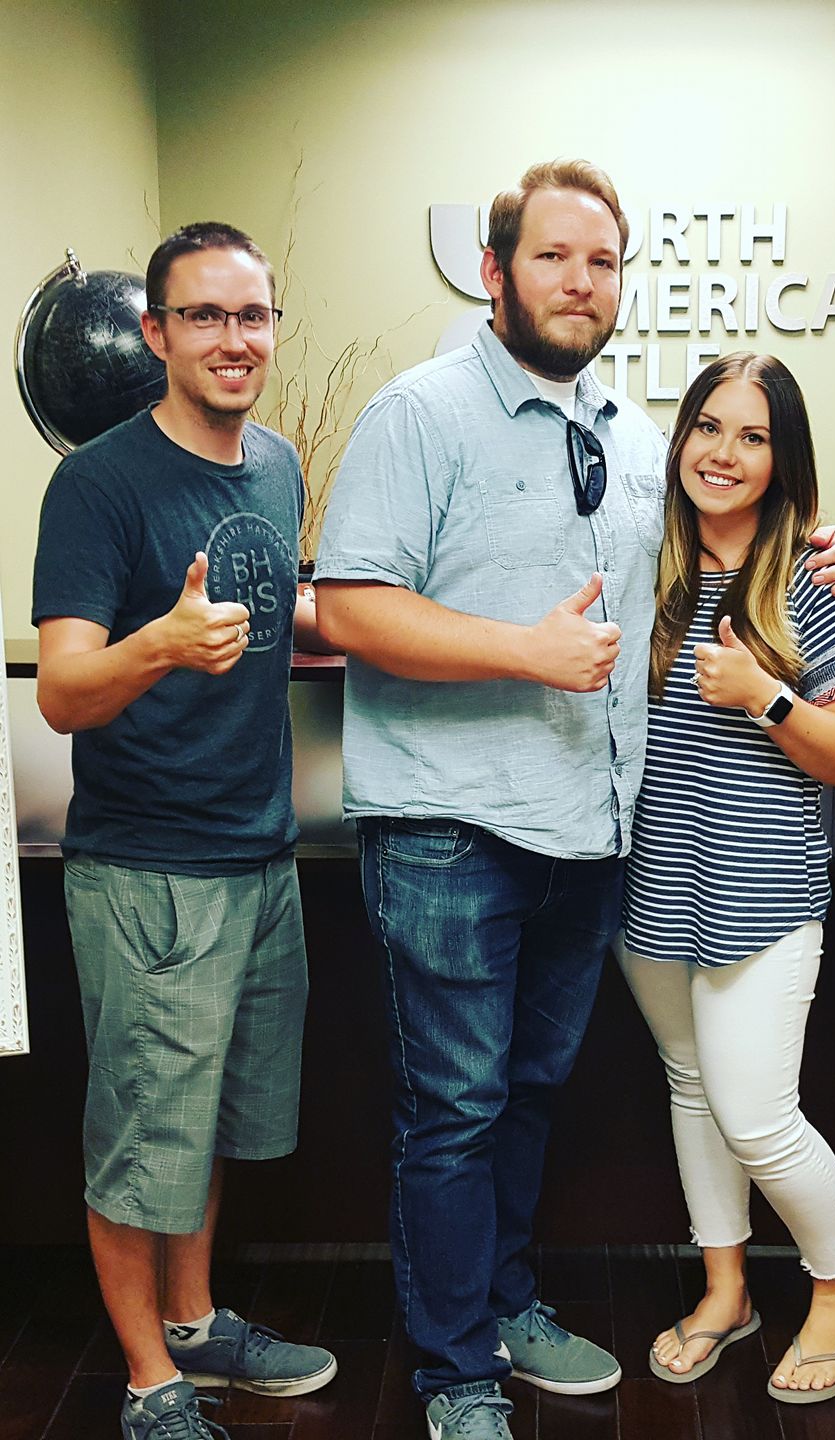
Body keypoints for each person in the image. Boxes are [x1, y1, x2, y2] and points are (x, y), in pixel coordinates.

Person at [311, 161, 835, 1440]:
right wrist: (524, 650)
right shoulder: (420, 413)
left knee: (524, 1098)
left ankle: (504, 1306)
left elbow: (736, 526)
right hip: (451, 833)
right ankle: (456, 1373)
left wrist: (829, 539)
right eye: (552, 256)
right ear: (495, 271)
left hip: (585, 842)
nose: (580, 281)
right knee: (454, 1112)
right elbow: (346, 608)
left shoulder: (628, 437)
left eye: (602, 261)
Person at [32, 222, 336, 1440]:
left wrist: (391, 623)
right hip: (148, 872)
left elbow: (281, 604)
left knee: (204, 1118)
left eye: (251, 316)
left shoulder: (276, 463)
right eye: (204, 316)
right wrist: (159, 642)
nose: (232, 339)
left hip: (259, 856)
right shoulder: (97, 484)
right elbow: (64, 691)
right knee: (139, 1138)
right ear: (156, 334)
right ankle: (150, 1382)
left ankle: (197, 1323)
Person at [616, 354, 835, 1404]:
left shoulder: (816, 578)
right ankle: (725, 1290)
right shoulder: (646, 564)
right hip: (652, 890)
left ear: (784, 460)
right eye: (707, 427)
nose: (723, 454)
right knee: (692, 1090)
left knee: (757, 1117)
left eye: (753, 436)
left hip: (764, 897)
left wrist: (765, 696)